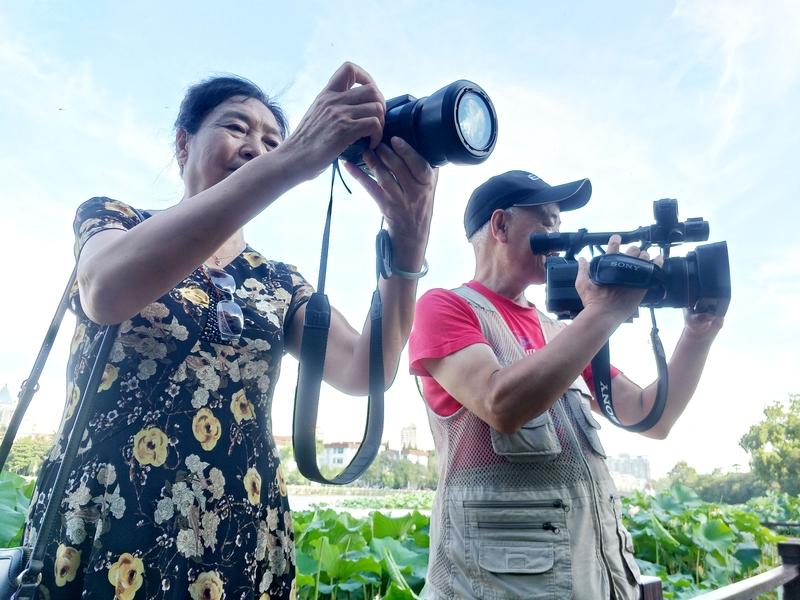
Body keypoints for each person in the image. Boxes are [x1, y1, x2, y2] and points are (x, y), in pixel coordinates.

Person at [24, 62, 437, 600]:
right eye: (237, 127)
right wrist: (293, 158)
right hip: (109, 520)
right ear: (182, 144)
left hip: (241, 531)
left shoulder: (278, 281)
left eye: (272, 139)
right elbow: (105, 290)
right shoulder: (115, 220)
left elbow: (364, 370)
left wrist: (406, 252)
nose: (256, 147)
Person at [408, 170, 724, 599]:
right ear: (500, 225)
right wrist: (604, 313)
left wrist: (697, 335)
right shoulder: (445, 307)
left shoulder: (563, 332)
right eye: (547, 221)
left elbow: (651, 415)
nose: (561, 236)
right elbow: (500, 403)